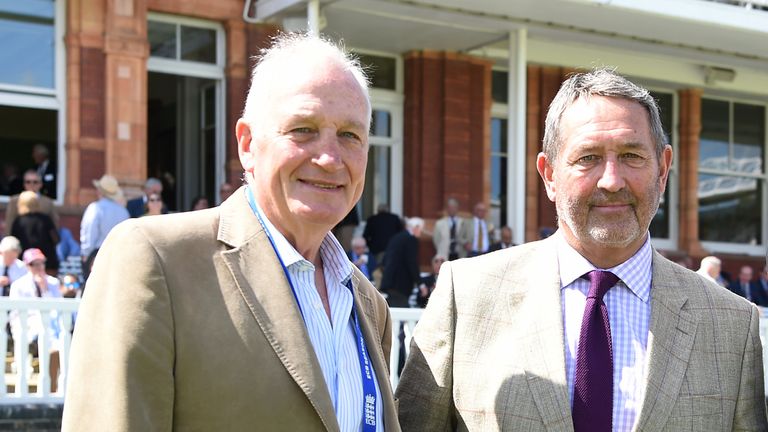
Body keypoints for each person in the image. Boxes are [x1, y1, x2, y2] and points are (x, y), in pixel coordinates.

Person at [396, 68, 767, 431]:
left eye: (631, 156)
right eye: (588, 157)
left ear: (663, 169)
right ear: (550, 175)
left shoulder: (732, 326)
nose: (611, 181)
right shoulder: (467, 296)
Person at [62, 33, 398, 431]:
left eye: (350, 135)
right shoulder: (157, 261)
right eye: (303, 129)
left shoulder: (369, 304)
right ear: (247, 144)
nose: (329, 158)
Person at [9, 248, 63, 393]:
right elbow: (15, 314)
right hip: (28, 327)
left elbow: (57, 310)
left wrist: (45, 290)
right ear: (27, 266)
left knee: (56, 344)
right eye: (35, 264)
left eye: (41, 263)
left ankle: (52, 386)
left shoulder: (53, 282)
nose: (39, 267)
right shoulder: (19, 285)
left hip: (52, 327)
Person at [79, 174, 130, 281]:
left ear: (100, 191)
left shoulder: (95, 208)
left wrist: (86, 254)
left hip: (97, 254)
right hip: (118, 255)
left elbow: (89, 232)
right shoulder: (123, 212)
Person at [11, 191, 60, 276]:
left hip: (25, 264)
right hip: (47, 262)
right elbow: (56, 239)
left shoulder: (18, 221)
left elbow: (14, 244)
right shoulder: (46, 219)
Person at [379, 217, 424, 308]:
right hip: (401, 285)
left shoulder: (396, 237)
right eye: (420, 230)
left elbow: (384, 261)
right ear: (416, 227)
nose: (421, 233)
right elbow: (412, 263)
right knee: (402, 315)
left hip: (389, 283)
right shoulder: (411, 239)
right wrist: (420, 284)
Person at [362, 203, 403, 269]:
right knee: (392, 269)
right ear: (388, 210)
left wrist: (370, 246)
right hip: (392, 249)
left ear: (378, 210)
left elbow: (365, 236)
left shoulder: (372, 219)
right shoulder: (394, 218)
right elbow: (401, 234)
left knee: (377, 270)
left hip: (377, 250)